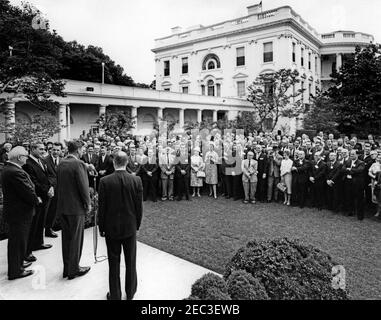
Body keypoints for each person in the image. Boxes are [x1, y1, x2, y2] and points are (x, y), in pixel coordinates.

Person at [98, 151, 143, 300]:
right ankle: (130, 293)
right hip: (129, 227)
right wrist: (136, 225)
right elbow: (139, 208)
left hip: (111, 228)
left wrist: (101, 227)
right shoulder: (136, 180)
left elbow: (102, 207)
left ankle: (115, 295)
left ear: (113, 163)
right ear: (127, 162)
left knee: (114, 262)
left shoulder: (105, 181)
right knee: (131, 261)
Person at [2, 146, 40, 280]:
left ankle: (18, 264)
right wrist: (37, 200)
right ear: (19, 158)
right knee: (18, 242)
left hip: (16, 212)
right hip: (20, 213)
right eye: (25, 156)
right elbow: (27, 191)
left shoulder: (10, 169)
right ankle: (16, 270)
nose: (27, 158)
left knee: (17, 241)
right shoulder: (15, 171)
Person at [56, 140, 91, 279]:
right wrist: (88, 204)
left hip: (63, 206)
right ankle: (74, 270)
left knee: (67, 239)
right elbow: (83, 187)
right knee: (76, 240)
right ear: (78, 150)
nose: (83, 151)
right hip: (75, 208)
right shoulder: (78, 164)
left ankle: (67, 268)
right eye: (82, 149)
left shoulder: (61, 163)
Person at [22, 142, 54, 262]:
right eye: (40, 149)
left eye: (43, 149)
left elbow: (46, 177)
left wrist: (50, 187)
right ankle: (28, 251)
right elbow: (33, 182)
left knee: (41, 222)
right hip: (38, 197)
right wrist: (46, 191)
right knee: (34, 224)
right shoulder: (28, 164)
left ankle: (38, 243)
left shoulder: (41, 161)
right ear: (33, 149)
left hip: (45, 196)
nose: (43, 151)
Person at [44, 142, 62, 238]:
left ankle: (49, 229)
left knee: (54, 210)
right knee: (46, 210)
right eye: (54, 150)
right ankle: (41, 230)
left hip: (59, 189)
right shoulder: (45, 160)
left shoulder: (62, 161)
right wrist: (49, 187)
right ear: (51, 150)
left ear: (61, 151)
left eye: (57, 150)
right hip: (49, 190)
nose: (55, 152)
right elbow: (44, 176)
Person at [342, 150, 365, 220]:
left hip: (357, 184)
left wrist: (349, 170)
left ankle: (360, 215)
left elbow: (359, 170)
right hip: (348, 183)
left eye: (353, 154)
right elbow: (343, 169)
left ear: (356, 155)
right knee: (349, 198)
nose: (351, 156)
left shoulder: (361, 163)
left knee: (359, 200)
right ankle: (350, 211)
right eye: (350, 154)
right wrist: (351, 170)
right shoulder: (347, 161)